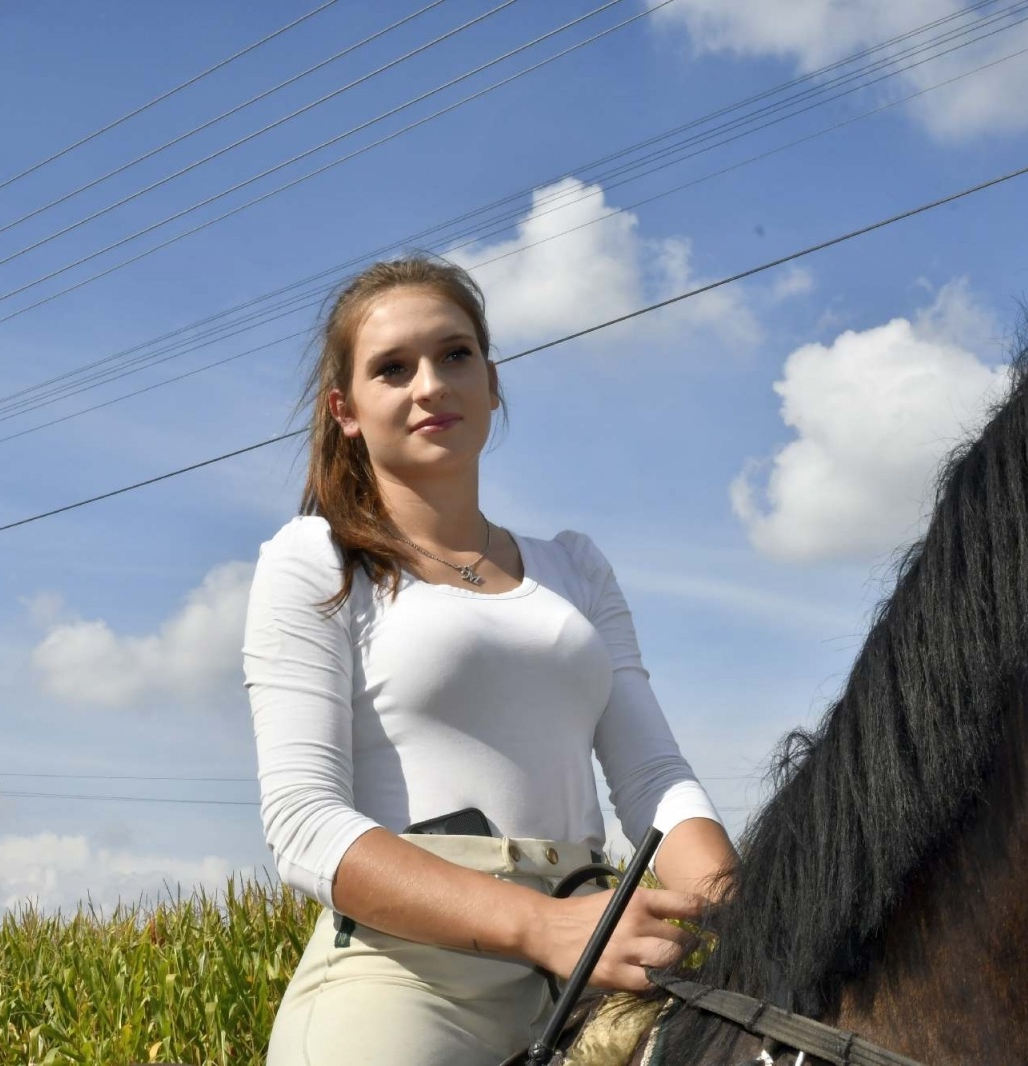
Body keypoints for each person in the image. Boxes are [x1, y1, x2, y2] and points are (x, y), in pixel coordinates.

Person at [242, 256, 737, 1065]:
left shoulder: (576, 568)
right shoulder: (316, 562)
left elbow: (654, 779)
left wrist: (744, 915)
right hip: (408, 981)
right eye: (393, 368)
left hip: (596, 967)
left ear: (492, 382)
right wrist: (543, 927)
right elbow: (304, 824)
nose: (431, 385)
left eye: (455, 355)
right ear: (346, 410)